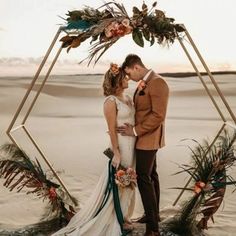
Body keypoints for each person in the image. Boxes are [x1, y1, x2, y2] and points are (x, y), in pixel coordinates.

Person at [52, 63, 136, 236]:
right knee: (122, 181)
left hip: (133, 143)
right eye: (124, 77)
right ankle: (117, 218)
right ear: (118, 80)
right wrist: (117, 151)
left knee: (130, 181)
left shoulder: (127, 98)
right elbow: (112, 129)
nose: (128, 78)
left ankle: (126, 216)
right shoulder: (110, 102)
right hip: (122, 145)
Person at [117, 54, 169, 236]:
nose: (129, 78)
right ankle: (151, 215)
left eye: (129, 74)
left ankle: (153, 229)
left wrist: (136, 131)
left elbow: (158, 115)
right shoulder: (146, 82)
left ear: (137, 67)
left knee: (144, 179)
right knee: (152, 175)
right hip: (144, 137)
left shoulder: (158, 83)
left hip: (149, 137)